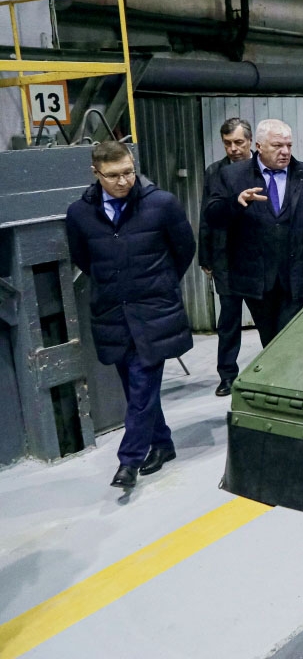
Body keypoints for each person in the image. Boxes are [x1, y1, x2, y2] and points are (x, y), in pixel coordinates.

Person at [66, 141, 195, 490]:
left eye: (128, 172)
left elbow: (184, 249)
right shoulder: (79, 214)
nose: (123, 181)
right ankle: (162, 443)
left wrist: (159, 284)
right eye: (113, 176)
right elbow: (83, 258)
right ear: (96, 173)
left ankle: (129, 461)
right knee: (136, 387)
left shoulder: (161, 204)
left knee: (141, 384)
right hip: (112, 313)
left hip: (153, 311)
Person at [204, 119, 303, 347]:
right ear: (259, 146)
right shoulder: (233, 175)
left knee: (289, 340)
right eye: (277, 146)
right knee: (270, 341)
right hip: (257, 280)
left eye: (288, 145)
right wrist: (235, 203)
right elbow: (212, 216)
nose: (285, 151)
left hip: (297, 277)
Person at [199, 117, 251, 397]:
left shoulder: (261, 169)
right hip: (225, 256)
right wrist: (205, 255)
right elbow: (206, 215)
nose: (233, 149)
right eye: (228, 143)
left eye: (239, 142)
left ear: (250, 142)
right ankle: (227, 375)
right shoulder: (214, 172)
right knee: (228, 320)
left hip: (256, 256)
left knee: (267, 319)